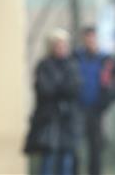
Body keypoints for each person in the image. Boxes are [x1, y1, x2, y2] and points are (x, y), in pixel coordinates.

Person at [24, 28, 81, 175]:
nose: (61, 48)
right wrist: (61, 88)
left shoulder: (72, 65)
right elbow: (44, 89)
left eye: (63, 45)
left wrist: (58, 88)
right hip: (48, 120)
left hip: (68, 120)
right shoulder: (44, 66)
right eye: (58, 45)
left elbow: (74, 88)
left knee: (66, 160)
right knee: (48, 159)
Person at [74, 26, 115, 175]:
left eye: (92, 37)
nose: (90, 40)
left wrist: (111, 98)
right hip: (77, 109)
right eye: (87, 37)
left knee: (95, 148)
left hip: (97, 110)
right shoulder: (76, 58)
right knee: (75, 147)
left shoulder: (107, 60)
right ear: (83, 39)